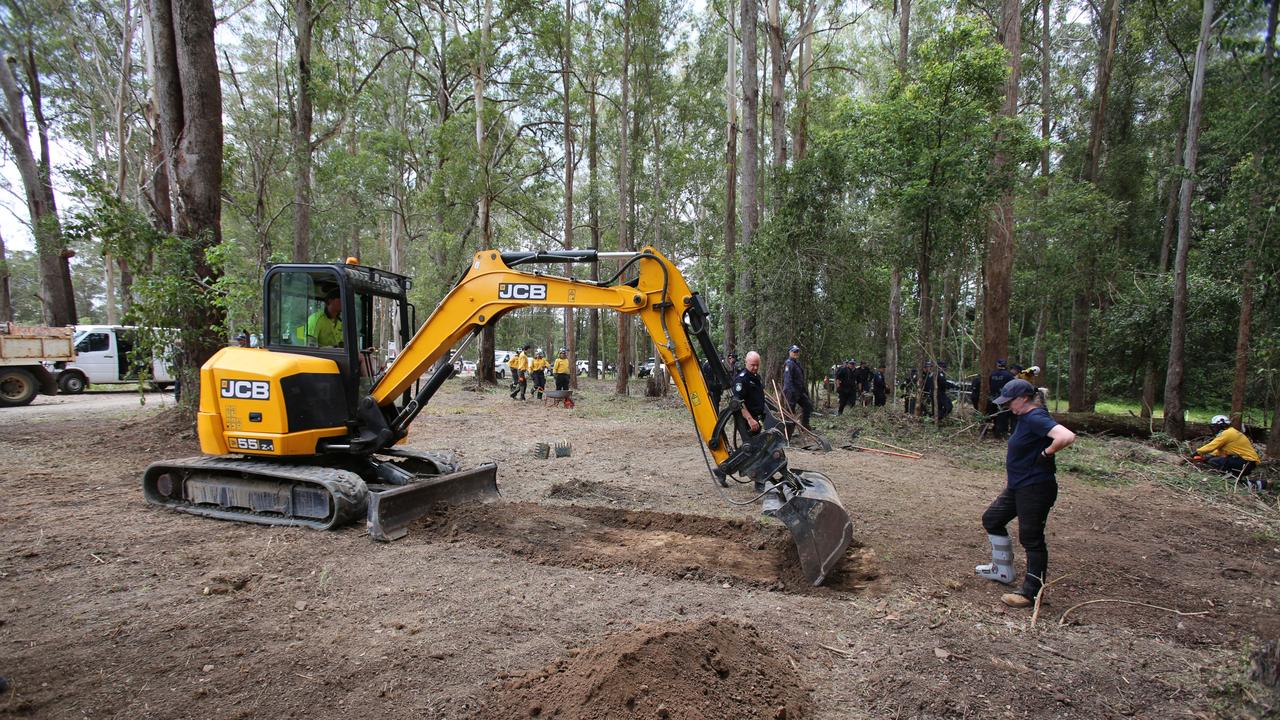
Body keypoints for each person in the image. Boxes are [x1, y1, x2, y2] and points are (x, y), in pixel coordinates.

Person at [975, 378, 1076, 608]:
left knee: (1031, 539)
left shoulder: (1035, 417)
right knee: (992, 519)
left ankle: (1031, 593)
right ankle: (1002, 570)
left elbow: (1066, 436)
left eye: (1010, 402)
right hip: (1018, 486)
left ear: (1023, 399)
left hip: (1036, 488)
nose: (1008, 406)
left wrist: (1047, 453)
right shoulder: (1023, 417)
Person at [1194, 415, 1262, 487]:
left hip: (1246, 462)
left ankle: (1230, 478)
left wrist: (1196, 453)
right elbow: (1218, 451)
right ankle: (1261, 484)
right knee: (1232, 481)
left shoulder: (1227, 433)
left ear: (1221, 425)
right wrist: (1206, 458)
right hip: (1248, 462)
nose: (1214, 429)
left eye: (1215, 426)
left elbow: (1211, 446)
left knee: (1214, 461)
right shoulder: (1231, 432)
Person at [783, 344, 813, 429]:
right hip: (791, 393)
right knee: (790, 413)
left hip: (799, 392)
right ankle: (788, 432)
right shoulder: (789, 364)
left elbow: (800, 380)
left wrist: (804, 391)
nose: (796, 353)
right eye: (794, 351)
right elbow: (788, 381)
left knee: (808, 405)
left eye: (797, 351)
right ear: (790, 352)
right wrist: (791, 394)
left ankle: (805, 425)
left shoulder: (797, 363)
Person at [989, 358, 1016, 439]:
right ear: (1005, 365)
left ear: (997, 365)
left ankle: (996, 431)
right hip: (1005, 398)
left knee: (995, 415)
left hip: (993, 397)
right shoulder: (1009, 375)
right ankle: (1002, 433)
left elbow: (990, 385)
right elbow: (1013, 386)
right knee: (1003, 415)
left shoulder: (992, 374)